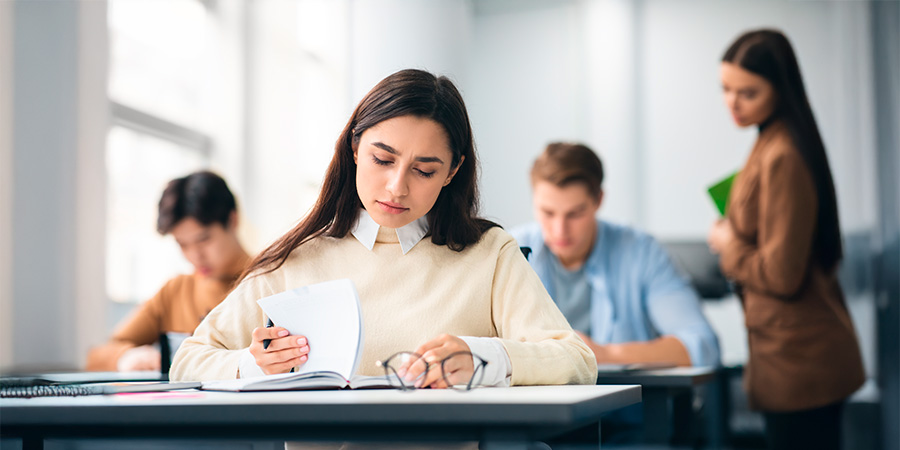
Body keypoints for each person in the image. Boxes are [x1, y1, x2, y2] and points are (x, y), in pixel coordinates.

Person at [170, 69, 595, 394]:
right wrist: (253, 364)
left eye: (424, 170)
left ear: (452, 172)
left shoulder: (489, 253)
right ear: (355, 149)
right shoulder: (297, 256)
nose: (397, 187)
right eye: (382, 159)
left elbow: (577, 361)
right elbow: (187, 362)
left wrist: (486, 358)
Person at [708, 29, 864, 450]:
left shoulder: (783, 155)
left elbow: (781, 274)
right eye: (726, 89)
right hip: (790, 356)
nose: (733, 103)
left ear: (781, 89)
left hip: (802, 362)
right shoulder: (770, 140)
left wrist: (728, 244)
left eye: (749, 92)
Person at [511, 142, 720, 369]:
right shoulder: (509, 250)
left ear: (599, 200)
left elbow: (703, 346)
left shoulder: (641, 252)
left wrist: (603, 354)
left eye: (575, 213)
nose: (560, 229)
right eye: (548, 213)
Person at [87, 171, 251, 372]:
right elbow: (99, 355)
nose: (195, 256)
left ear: (233, 220)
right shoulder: (176, 291)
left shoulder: (270, 280)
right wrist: (126, 357)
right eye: (182, 244)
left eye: (203, 239)